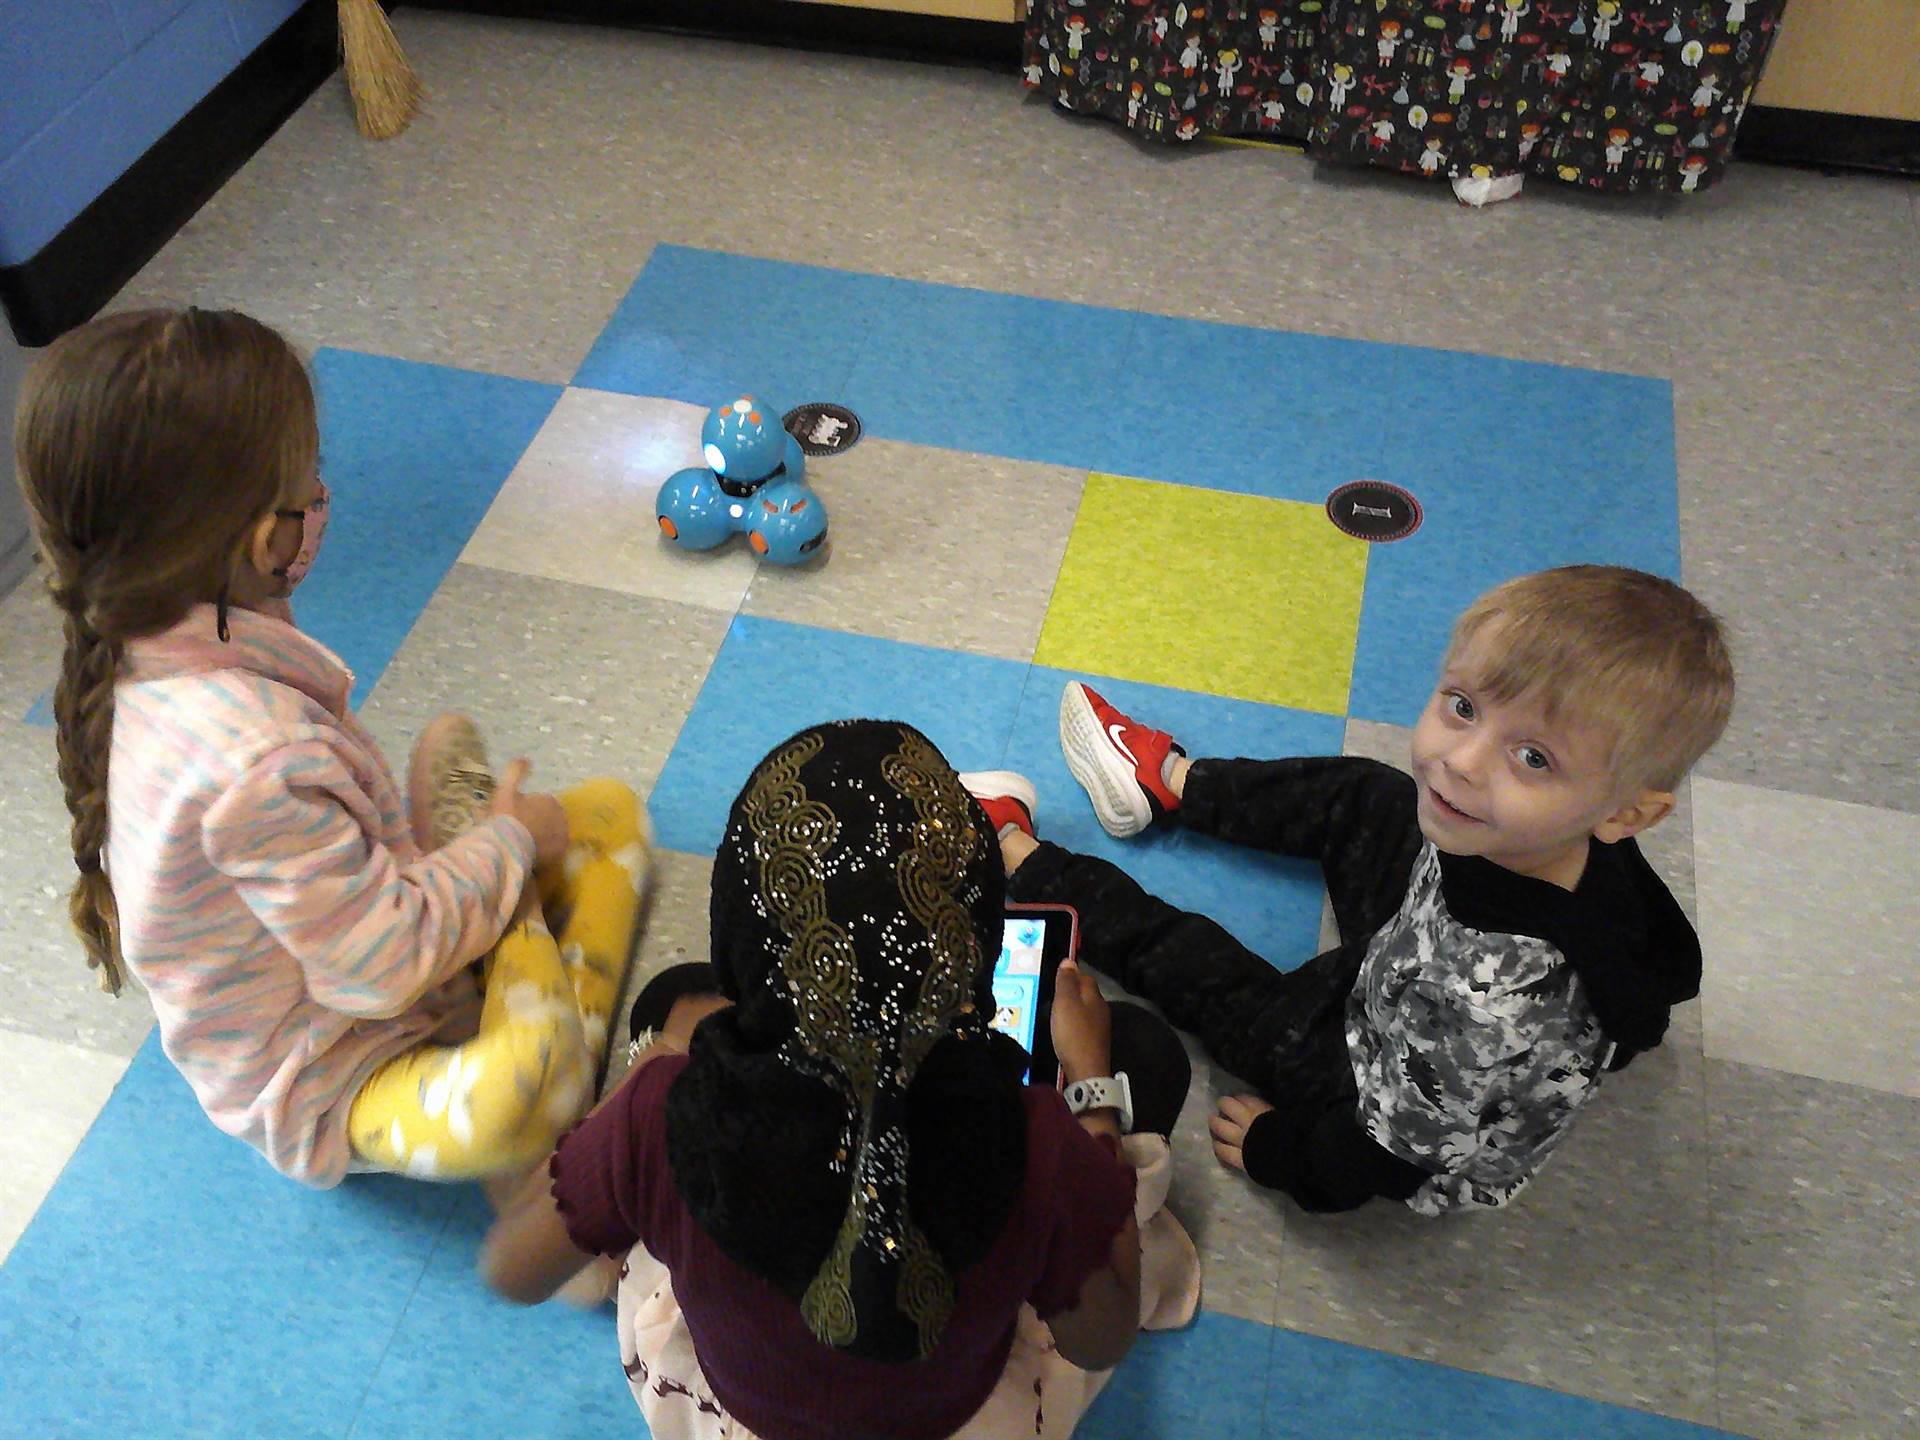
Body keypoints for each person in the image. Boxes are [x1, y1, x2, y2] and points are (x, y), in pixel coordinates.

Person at [12, 307, 646, 1186]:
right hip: (334, 1076)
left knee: (602, 811)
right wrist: (505, 851)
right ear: (265, 540)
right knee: (527, 1074)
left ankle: (466, 890)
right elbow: (377, 973)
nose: (320, 498)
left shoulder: (143, 633)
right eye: (309, 482)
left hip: (349, 942)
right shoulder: (250, 759)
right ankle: (496, 934)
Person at [481, 720, 1200, 1440]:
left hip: (739, 1421)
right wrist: (1093, 1092)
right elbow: (1099, 1339)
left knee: (671, 998)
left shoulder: (658, 1115)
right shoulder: (1038, 1141)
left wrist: (641, 1081)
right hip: (967, 1422)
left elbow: (511, 1271)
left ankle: (612, 1247)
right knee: (1146, 1052)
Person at [966, 565, 1733, 1217]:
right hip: (1415, 944)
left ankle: (1013, 852)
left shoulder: (1484, 1008)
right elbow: (1642, 973)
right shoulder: (1556, 840)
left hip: (1367, 1065)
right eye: (1463, 706)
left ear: (1627, 812)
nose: (1461, 761)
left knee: (1203, 971)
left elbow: (1391, 1156)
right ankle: (1166, 785)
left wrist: (1282, 1152)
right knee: (1371, 795)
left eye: (1533, 757)